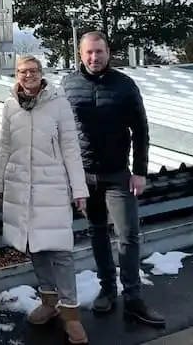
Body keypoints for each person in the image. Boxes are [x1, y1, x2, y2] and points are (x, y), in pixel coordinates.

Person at [62, 31, 166, 328]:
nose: (94, 57)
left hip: (118, 174)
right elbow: (61, 132)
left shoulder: (125, 85)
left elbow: (141, 131)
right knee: (96, 232)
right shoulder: (68, 85)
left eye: (99, 52)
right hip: (84, 176)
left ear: (108, 52)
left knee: (128, 235)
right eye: (88, 53)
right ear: (80, 55)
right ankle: (108, 289)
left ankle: (133, 298)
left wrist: (140, 171)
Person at [0, 55, 90, 344]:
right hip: (23, 188)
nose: (28, 76)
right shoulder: (10, 105)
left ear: (41, 74)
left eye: (33, 71)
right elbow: (4, 147)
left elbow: (71, 148)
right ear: (16, 75)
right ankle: (49, 303)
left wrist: (79, 189)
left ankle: (71, 315)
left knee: (60, 250)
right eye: (23, 72)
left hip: (53, 187)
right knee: (35, 247)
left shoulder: (58, 103)